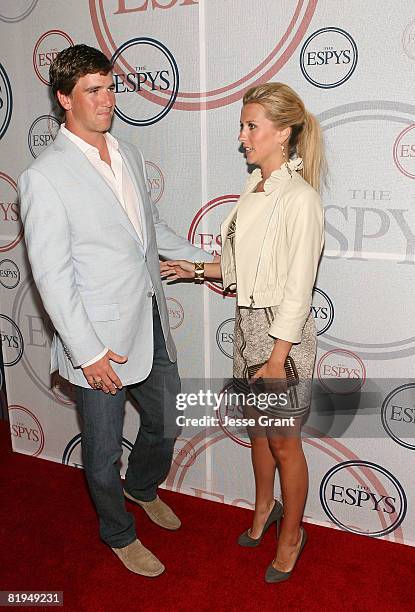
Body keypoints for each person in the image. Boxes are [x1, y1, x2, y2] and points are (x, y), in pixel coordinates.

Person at [18, 44, 213, 577]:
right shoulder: (44, 177)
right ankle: (118, 532)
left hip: (146, 318)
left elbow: (151, 233)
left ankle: (143, 487)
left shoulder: (127, 153)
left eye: (110, 88)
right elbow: (52, 278)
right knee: (102, 451)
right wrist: (88, 353)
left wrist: (210, 260)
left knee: (169, 415)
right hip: (96, 339)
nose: (107, 100)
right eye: (93, 91)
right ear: (64, 98)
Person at [161, 82, 325, 583]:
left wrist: (277, 357)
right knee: (258, 432)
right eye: (242, 125)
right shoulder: (254, 189)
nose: (242, 136)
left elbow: (298, 286)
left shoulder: (300, 199)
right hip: (248, 325)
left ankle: (292, 534)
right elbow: (239, 267)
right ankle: (262, 511)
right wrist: (192, 271)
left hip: (282, 334)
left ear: (284, 133)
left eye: (251, 126)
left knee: (283, 443)